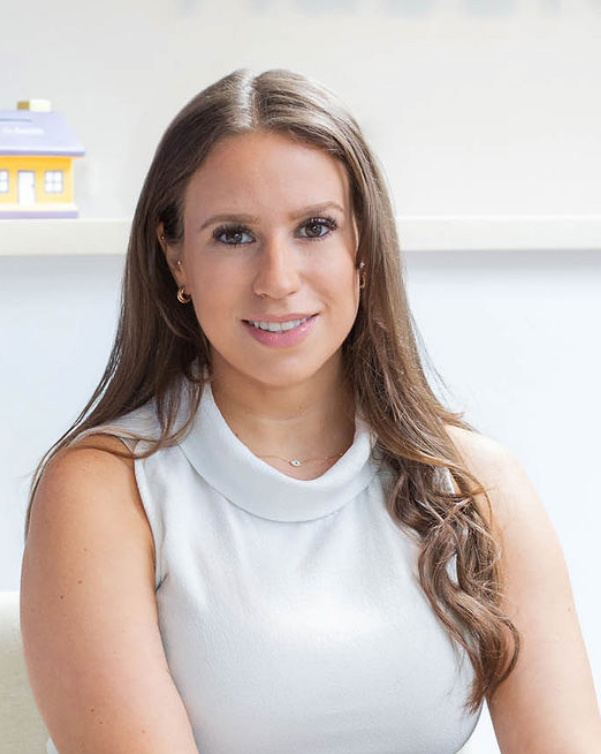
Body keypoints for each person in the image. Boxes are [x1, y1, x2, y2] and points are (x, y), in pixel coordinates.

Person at [19, 68, 601, 754]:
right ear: (175, 257)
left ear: (363, 249)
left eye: (315, 228)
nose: (278, 279)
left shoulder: (478, 484)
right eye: (232, 235)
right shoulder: (104, 491)